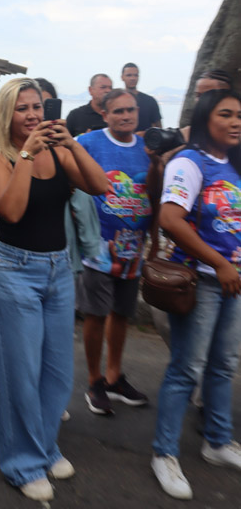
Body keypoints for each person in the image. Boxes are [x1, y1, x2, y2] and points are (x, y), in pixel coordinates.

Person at [0, 78, 109, 502]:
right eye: (23, 109)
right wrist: (26, 155)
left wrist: (71, 144)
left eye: (38, 106)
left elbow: (99, 186)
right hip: (14, 270)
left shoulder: (57, 151)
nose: (33, 115)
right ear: (6, 114)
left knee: (56, 372)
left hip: (57, 270)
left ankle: (44, 447)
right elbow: (12, 211)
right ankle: (21, 463)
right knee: (19, 374)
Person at [151, 90, 241, 500]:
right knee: (187, 368)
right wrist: (220, 264)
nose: (237, 121)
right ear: (207, 119)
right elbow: (171, 219)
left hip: (233, 281)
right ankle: (164, 453)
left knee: (224, 365)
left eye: (240, 115)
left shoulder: (235, 164)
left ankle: (218, 442)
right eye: (227, 114)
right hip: (203, 280)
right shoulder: (190, 162)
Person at [76, 89, 162, 416]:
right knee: (96, 313)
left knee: (122, 313)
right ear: (105, 114)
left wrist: (155, 162)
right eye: (119, 111)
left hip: (134, 246)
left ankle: (114, 376)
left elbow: (154, 196)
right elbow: (73, 183)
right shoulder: (89, 143)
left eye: (131, 110)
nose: (126, 116)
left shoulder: (147, 146)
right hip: (99, 246)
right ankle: (94, 380)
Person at [121, 62, 161, 132]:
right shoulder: (116, 101)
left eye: (135, 75)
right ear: (122, 77)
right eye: (129, 75)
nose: (133, 78)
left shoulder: (150, 101)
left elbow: (158, 128)